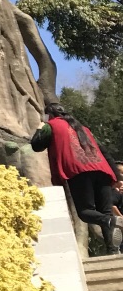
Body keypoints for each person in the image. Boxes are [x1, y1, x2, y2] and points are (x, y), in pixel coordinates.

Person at [32, 102, 119, 250]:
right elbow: (103, 150)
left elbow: (36, 144)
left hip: (79, 171)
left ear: (49, 115)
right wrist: (117, 176)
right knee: (104, 211)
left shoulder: (51, 125)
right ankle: (113, 250)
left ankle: (110, 220)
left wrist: (41, 125)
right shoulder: (82, 128)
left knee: (85, 212)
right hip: (102, 170)